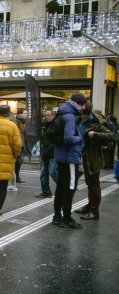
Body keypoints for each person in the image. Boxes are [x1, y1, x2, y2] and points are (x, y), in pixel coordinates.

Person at [75, 103, 117, 221]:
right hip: (81, 156)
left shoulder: (95, 123)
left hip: (92, 157)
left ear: (84, 112)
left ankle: (94, 211)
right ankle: (89, 206)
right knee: (89, 183)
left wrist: (95, 134)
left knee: (94, 184)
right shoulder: (78, 121)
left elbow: (113, 136)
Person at [52, 93, 87, 229]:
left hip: (61, 156)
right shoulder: (70, 116)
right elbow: (69, 138)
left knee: (61, 187)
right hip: (70, 157)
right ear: (76, 104)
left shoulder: (62, 113)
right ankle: (66, 218)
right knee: (70, 188)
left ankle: (57, 216)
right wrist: (81, 138)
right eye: (82, 104)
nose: (83, 107)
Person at [36, 110, 59, 198]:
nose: (47, 117)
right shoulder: (45, 126)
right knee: (43, 173)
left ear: (53, 115)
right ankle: (46, 191)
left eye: (48, 115)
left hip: (52, 153)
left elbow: (55, 141)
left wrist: (48, 150)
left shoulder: (55, 125)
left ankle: (65, 186)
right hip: (45, 153)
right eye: (45, 115)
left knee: (52, 172)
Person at [14, 108, 28, 183]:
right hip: (18, 144)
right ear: (20, 114)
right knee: (18, 161)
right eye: (25, 113)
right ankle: (16, 177)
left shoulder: (22, 122)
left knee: (19, 161)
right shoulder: (17, 121)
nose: (27, 115)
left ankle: (16, 177)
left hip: (21, 144)